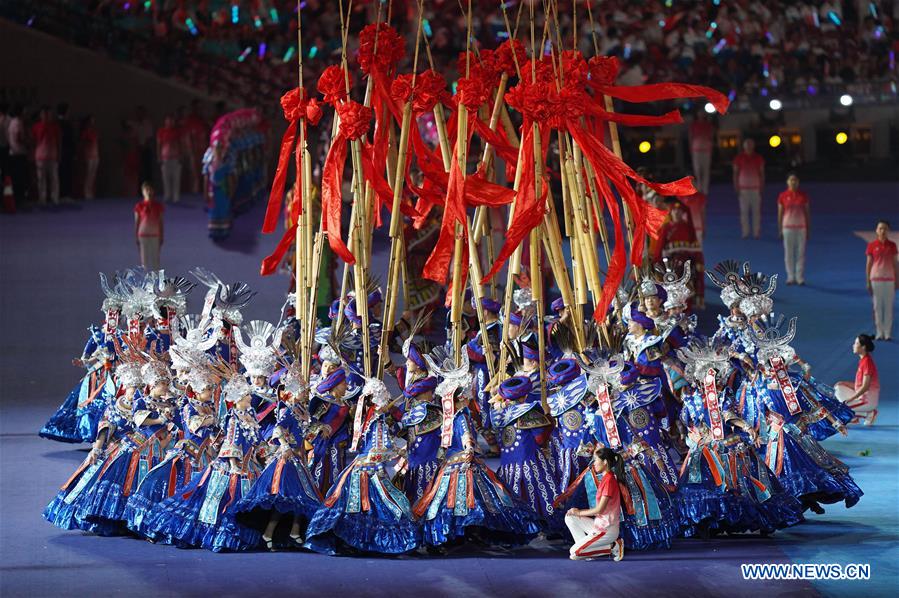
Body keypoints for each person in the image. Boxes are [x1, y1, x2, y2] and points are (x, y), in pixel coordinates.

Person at [564, 447, 625, 561]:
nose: (594, 463)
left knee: (574, 553)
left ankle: (613, 546)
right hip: (599, 525)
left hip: (607, 529)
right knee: (570, 517)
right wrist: (575, 513)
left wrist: (579, 512)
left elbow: (599, 510)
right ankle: (588, 551)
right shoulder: (606, 478)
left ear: (605, 462)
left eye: (596, 460)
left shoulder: (609, 480)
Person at [835, 334, 880, 425]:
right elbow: (859, 385)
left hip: (868, 401)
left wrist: (852, 398)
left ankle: (868, 413)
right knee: (839, 387)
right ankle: (855, 415)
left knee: (841, 408)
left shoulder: (867, 362)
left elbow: (866, 386)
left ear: (863, 347)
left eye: (856, 343)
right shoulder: (863, 360)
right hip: (862, 397)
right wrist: (844, 383)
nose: (853, 345)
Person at [865, 220, 898, 340]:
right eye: (880, 228)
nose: (882, 231)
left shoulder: (892, 246)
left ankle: (887, 332)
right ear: (876, 230)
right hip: (876, 279)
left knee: (888, 306)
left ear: (888, 230)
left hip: (889, 279)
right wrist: (868, 280)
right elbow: (868, 264)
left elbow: (895, 264)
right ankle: (879, 331)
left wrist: (897, 279)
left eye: (885, 228)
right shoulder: (872, 246)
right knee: (877, 306)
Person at [777, 173, 810, 285]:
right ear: (787, 182)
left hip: (801, 227)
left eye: (795, 180)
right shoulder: (783, 196)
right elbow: (780, 213)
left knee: (800, 252)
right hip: (788, 227)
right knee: (789, 252)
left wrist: (808, 228)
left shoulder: (803, 196)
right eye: (791, 180)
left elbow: (807, 213)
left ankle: (799, 276)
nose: (793, 182)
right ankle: (790, 276)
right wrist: (780, 228)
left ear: (798, 182)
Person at [732, 138, 765, 239]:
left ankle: (756, 232)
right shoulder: (738, 158)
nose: (749, 147)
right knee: (744, 212)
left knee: (756, 211)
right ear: (744, 147)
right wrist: (736, 186)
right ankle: (745, 232)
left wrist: (762, 186)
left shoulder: (759, 158)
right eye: (747, 145)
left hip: (755, 188)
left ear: (753, 146)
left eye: (751, 145)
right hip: (743, 189)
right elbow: (735, 173)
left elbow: (762, 173)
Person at [32, 106, 61, 206]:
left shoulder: (55, 127)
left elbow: (58, 141)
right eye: (44, 114)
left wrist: (59, 154)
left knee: (54, 178)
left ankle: (55, 198)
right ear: (41, 115)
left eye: (48, 114)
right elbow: (34, 141)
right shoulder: (36, 126)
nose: (46, 116)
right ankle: (42, 198)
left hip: (53, 156)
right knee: (41, 179)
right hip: (40, 156)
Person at [134, 182, 164, 270]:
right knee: (144, 261)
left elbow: (160, 222)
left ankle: (157, 281)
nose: (148, 192)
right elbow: (137, 222)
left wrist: (161, 235)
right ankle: (145, 282)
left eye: (150, 189)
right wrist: (136, 236)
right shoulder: (139, 206)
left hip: (155, 235)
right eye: (146, 190)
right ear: (143, 192)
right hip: (143, 235)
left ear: (153, 191)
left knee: (155, 260)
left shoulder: (158, 206)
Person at [157, 115, 183, 203]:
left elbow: (180, 144)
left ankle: (176, 196)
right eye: (168, 120)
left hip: (175, 157)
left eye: (172, 120)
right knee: (166, 177)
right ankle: (167, 195)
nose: (170, 122)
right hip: (165, 157)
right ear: (165, 121)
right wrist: (159, 156)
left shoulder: (177, 132)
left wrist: (180, 155)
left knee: (176, 177)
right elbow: (159, 144)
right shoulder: (161, 131)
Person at [6, 105, 28, 206]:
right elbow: (19, 137)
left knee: (15, 177)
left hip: (12, 152)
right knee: (20, 177)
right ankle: (20, 198)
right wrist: (27, 142)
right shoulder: (18, 122)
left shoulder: (11, 122)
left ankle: (16, 198)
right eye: (24, 111)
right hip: (19, 153)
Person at [689, 112, 714, 195]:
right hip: (696, 150)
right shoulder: (694, 125)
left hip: (706, 150)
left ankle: (705, 190)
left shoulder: (708, 125)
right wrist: (691, 149)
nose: (701, 115)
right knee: (698, 170)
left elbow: (711, 137)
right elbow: (691, 137)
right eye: (700, 114)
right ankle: (699, 188)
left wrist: (710, 147)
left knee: (705, 170)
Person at [80, 115, 100, 199]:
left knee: (93, 175)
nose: (92, 123)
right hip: (88, 156)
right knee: (88, 175)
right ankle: (86, 193)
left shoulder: (94, 132)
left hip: (95, 155)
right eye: (90, 121)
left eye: (93, 121)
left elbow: (96, 144)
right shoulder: (85, 133)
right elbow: (83, 144)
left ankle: (91, 192)